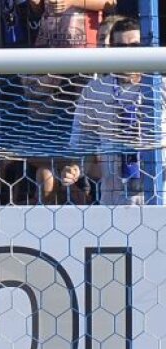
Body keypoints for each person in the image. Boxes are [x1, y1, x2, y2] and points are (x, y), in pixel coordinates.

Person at [69, 16, 149, 206]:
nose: (128, 53)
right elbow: (83, 144)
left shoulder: (160, 89)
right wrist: (76, 169)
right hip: (113, 200)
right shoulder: (95, 90)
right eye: (121, 47)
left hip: (159, 197)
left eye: (135, 46)